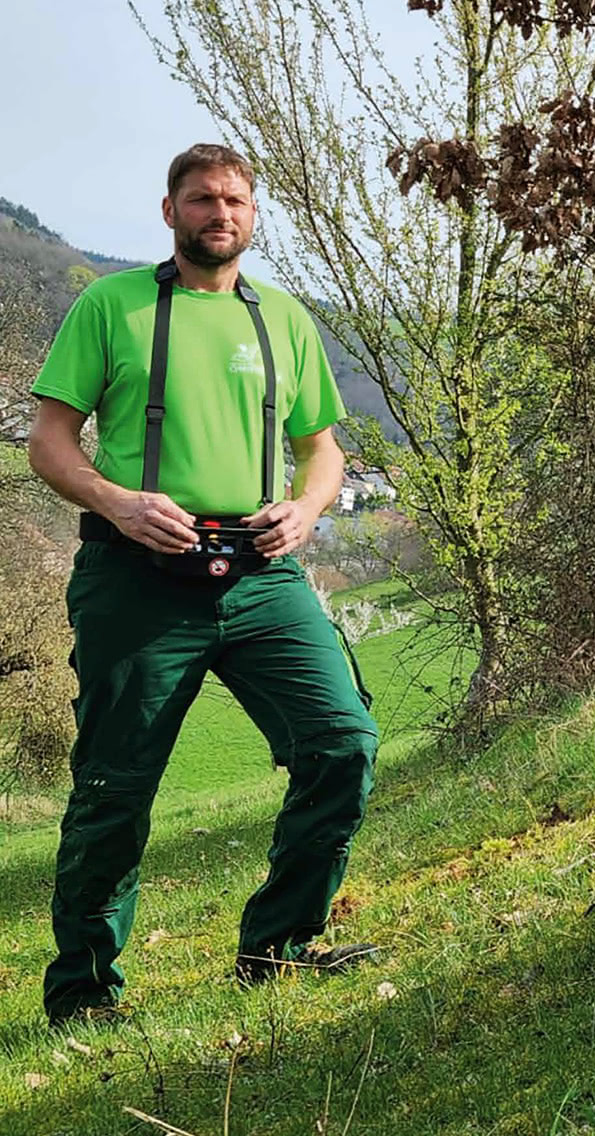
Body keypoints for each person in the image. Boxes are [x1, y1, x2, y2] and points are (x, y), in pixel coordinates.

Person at [26, 143, 380, 1025]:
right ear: (169, 211)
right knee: (116, 786)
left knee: (343, 744)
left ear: (251, 215)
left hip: (263, 574)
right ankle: (83, 997)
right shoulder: (113, 307)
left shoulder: (286, 320)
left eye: (233, 200)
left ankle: (278, 950)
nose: (218, 213)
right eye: (200, 199)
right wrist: (117, 503)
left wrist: (306, 511)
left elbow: (324, 451)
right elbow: (49, 441)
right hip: (135, 576)